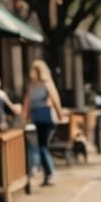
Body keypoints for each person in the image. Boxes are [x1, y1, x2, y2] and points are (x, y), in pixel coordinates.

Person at [25, 59, 64, 187]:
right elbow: (28, 101)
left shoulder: (39, 85)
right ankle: (48, 173)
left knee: (42, 146)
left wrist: (59, 114)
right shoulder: (38, 85)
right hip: (42, 118)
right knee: (42, 146)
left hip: (42, 118)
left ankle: (49, 173)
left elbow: (54, 100)